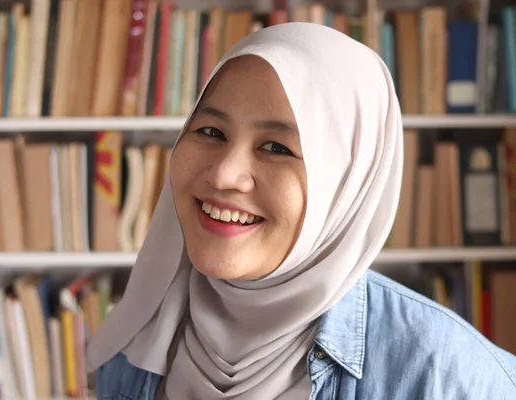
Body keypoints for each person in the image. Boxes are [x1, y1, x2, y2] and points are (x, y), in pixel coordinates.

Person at [86, 22, 516, 399]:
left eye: (276, 147)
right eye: (211, 131)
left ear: (346, 185)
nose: (224, 175)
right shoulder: (133, 343)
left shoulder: (446, 376)